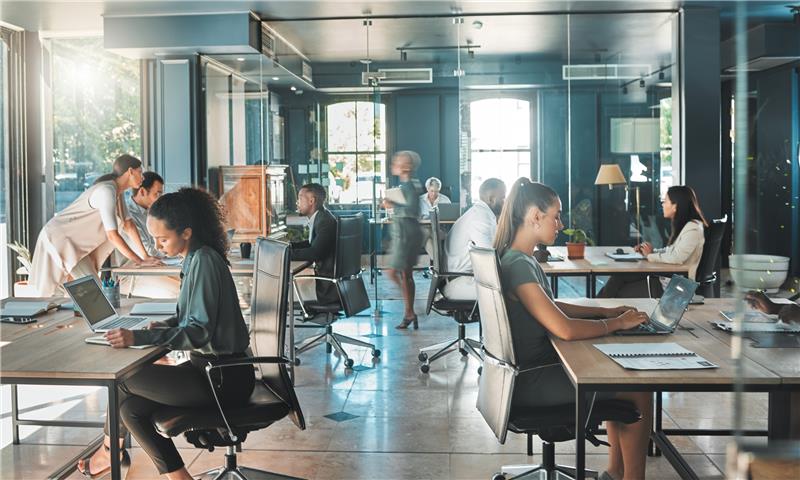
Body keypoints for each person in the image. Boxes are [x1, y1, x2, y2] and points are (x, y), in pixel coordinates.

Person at [76, 187, 254, 480]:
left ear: (186, 232)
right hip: (212, 372)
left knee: (122, 381)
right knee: (130, 409)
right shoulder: (197, 257)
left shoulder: (205, 261)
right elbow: (193, 318)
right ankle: (178, 476)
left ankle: (108, 454)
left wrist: (139, 338)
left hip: (222, 378)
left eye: (162, 239)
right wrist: (165, 325)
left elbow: (198, 332)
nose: (157, 246)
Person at [495, 177, 653, 480]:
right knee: (636, 385)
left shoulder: (517, 258)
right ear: (535, 217)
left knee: (618, 374)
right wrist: (616, 324)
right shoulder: (519, 265)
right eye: (556, 215)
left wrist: (606, 312)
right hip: (532, 381)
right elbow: (563, 328)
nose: (560, 223)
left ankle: (615, 472)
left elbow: (553, 307)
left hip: (527, 372)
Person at [29, 154, 161, 297]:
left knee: (86, 293)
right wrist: (139, 261)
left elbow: (128, 224)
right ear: (130, 171)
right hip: (60, 239)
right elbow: (113, 235)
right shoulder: (106, 191)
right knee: (84, 293)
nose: (142, 177)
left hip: (75, 246)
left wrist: (145, 257)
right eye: (140, 172)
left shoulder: (117, 192)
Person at [598, 185, 708, 298]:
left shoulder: (693, 229)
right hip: (667, 277)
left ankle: (596, 310)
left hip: (675, 285)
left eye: (665, 201)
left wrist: (650, 255)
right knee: (618, 278)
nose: (663, 204)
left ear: (675, 206)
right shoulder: (688, 226)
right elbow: (671, 251)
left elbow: (677, 257)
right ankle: (596, 309)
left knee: (616, 287)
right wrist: (649, 251)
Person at [117, 171, 181, 299]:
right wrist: (173, 248)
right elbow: (148, 252)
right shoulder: (130, 216)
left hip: (154, 266)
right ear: (142, 192)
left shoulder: (150, 213)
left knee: (191, 284)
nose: (160, 199)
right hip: (132, 274)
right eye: (157, 194)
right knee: (179, 292)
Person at [442, 178, 506, 300]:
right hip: (460, 282)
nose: (506, 202)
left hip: (465, 277)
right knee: (516, 289)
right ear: (491, 199)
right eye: (503, 198)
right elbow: (489, 258)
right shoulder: (480, 217)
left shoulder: (483, 214)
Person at [384, 151, 424, 330]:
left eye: (396, 163)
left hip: (406, 234)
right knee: (406, 275)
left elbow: (412, 209)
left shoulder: (409, 185)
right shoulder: (410, 184)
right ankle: (409, 312)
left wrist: (392, 204)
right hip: (407, 232)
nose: (393, 165)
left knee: (393, 273)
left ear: (406, 167)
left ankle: (410, 310)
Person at [291, 183, 338, 305]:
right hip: (327, 282)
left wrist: (286, 253)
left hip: (326, 287)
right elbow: (314, 243)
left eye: (300, 198)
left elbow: (315, 253)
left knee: (280, 286)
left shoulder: (325, 222)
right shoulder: (322, 217)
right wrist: (292, 246)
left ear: (311, 201)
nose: (297, 202)